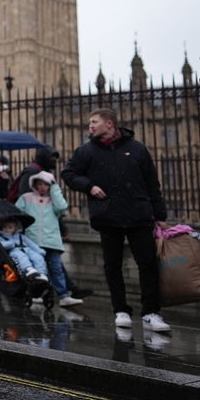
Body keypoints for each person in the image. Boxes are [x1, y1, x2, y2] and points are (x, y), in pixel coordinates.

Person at [61, 107, 171, 333]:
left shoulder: (137, 149)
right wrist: (89, 186)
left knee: (147, 264)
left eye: (94, 122)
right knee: (113, 266)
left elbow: (152, 184)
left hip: (139, 215)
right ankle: (121, 310)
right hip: (108, 217)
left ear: (109, 124)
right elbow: (68, 174)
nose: (90, 126)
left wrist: (160, 216)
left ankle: (151, 313)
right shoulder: (87, 151)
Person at [15, 170, 82, 306]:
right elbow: (17, 213)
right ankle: (37, 294)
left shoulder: (54, 200)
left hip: (52, 242)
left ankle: (63, 295)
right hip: (33, 242)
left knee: (56, 269)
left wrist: (55, 187)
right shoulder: (26, 198)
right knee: (39, 270)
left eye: (45, 184)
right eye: (39, 184)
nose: (42, 187)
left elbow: (62, 207)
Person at [0, 215, 48, 281]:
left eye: (10, 227)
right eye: (4, 227)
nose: (7, 229)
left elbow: (31, 244)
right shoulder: (1, 238)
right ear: (1, 228)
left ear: (15, 228)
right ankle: (28, 269)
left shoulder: (21, 236)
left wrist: (39, 250)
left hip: (27, 249)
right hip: (14, 252)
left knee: (38, 257)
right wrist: (9, 238)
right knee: (21, 257)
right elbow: (3, 246)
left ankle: (41, 273)